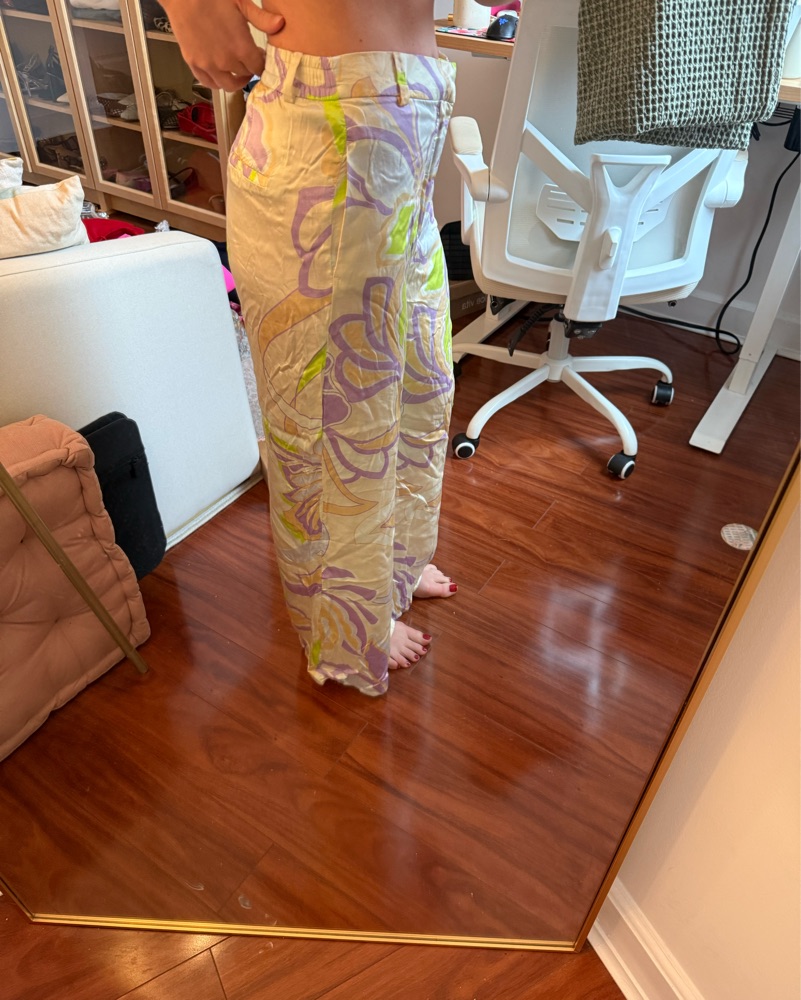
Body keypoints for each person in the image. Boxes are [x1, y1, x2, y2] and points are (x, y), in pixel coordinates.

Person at [161, 0, 458, 696]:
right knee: (334, 422)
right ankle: (346, 625)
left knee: (420, 381)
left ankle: (391, 565)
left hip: (410, 117)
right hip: (328, 122)